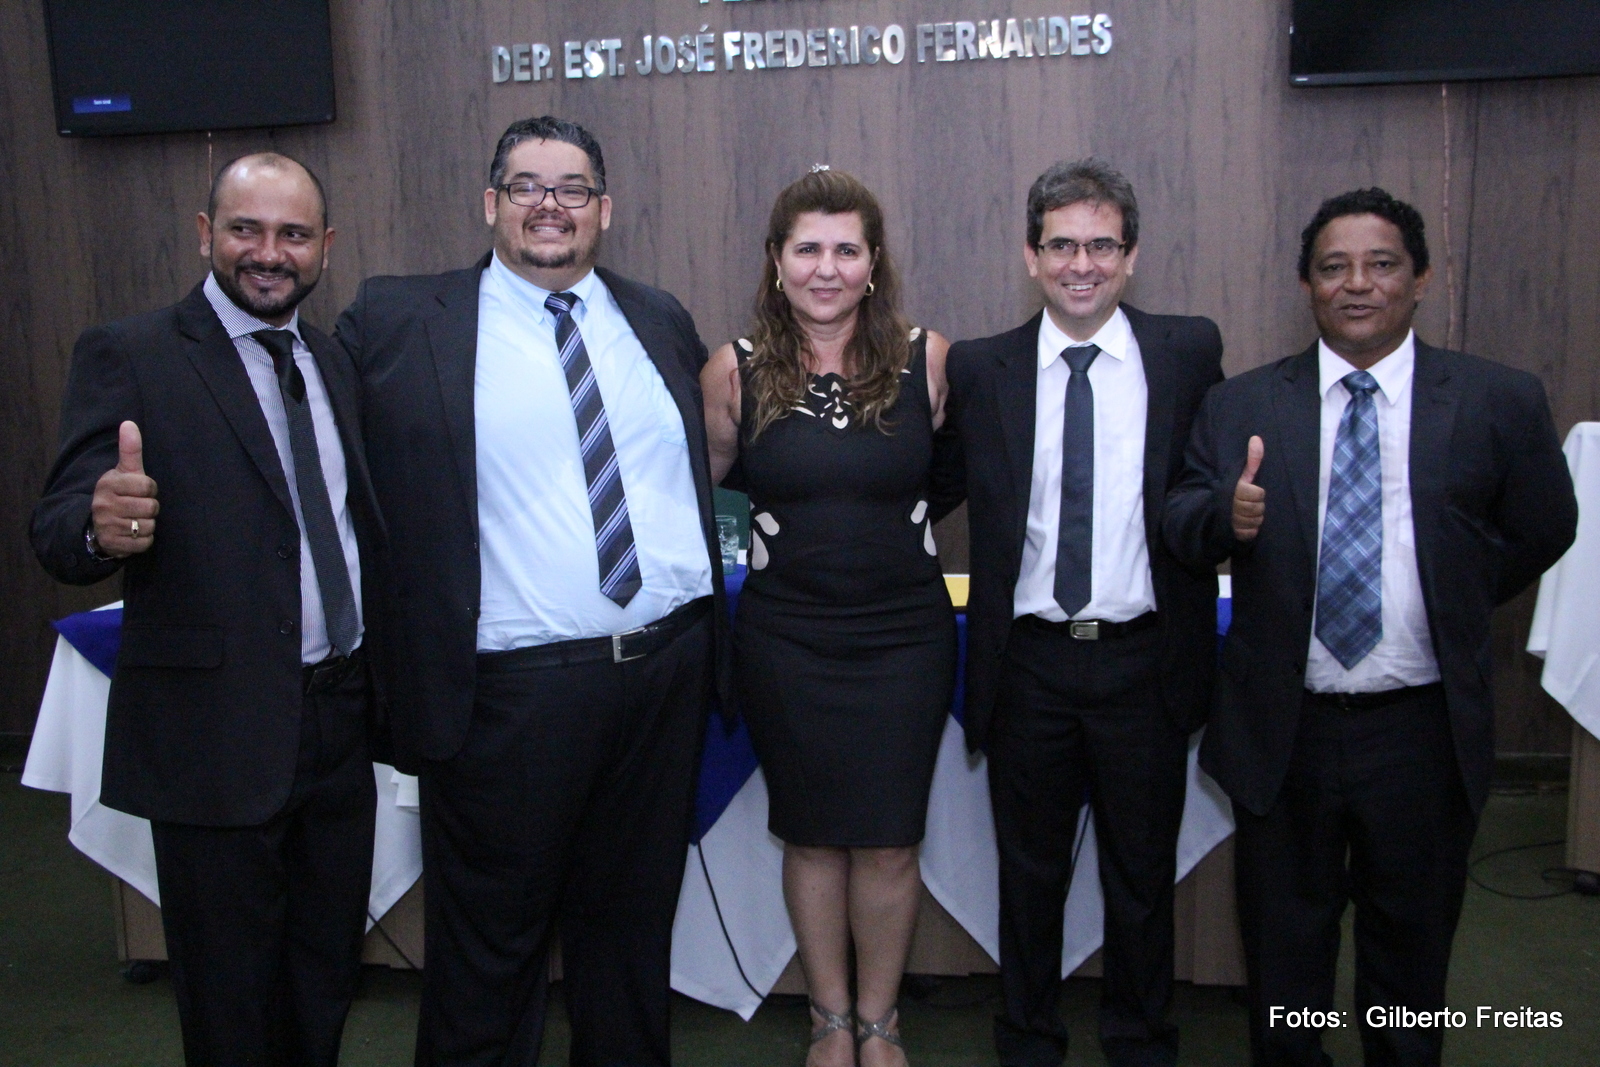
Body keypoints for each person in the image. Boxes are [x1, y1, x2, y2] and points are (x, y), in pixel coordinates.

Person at [334, 115, 730, 1067]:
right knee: (488, 958)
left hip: (663, 681)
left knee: (630, 940)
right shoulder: (400, 321)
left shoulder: (659, 317)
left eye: (572, 188)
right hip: (510, 699)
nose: (550, 206)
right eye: (526, 186)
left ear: (605, 209)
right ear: (490, 203)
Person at [1165, 187, 1577, 1066]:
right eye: (1334, 267)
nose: (1357, 283)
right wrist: (1225, 518)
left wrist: (1455, 595)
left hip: (1422, 728)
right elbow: (1181, 522)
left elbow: (1545, 524)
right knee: (1284, 961)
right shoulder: (1242, 405)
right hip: (1286, 731)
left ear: (1420, 278)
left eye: (1381, 264)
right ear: (1307, 286)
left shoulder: (1497, 400)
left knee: (1410, 962)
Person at [32, 153, 386, 1066]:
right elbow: (57, 522)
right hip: (213, 736)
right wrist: (98, 527)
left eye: (292, 234)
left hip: (338, 723)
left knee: (323, 975)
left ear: (325, 246)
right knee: (229, 998)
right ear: (205, 234)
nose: (268, 253)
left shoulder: (334, 360)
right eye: (245, 230)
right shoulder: (133, 353)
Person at [938, 159, 1223, 1067]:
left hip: (1144, 659)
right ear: (1031, 256)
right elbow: (931, 486)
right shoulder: (982, 368)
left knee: (1141, 876)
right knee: (1029, 878)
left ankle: (1141, 1041)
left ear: (1131, 255)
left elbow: (1207, 487)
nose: (1082, 265)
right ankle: (1028, 1039)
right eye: (1061, 245)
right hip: (1029, 664)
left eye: (1102, 245)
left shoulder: (1186, 352)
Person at [701, 168, 956, 1067]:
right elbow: (694, 492)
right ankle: (829, 1020)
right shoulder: (734, 369)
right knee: (810, 835)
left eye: (847, 249)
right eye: (807, 248)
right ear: (776, 261)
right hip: (787, 642)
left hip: (905, 640)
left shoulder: (928, 359)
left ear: (874, 263)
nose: (827, 268)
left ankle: (880, 1023)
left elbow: (958, 475)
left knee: (889, 840)